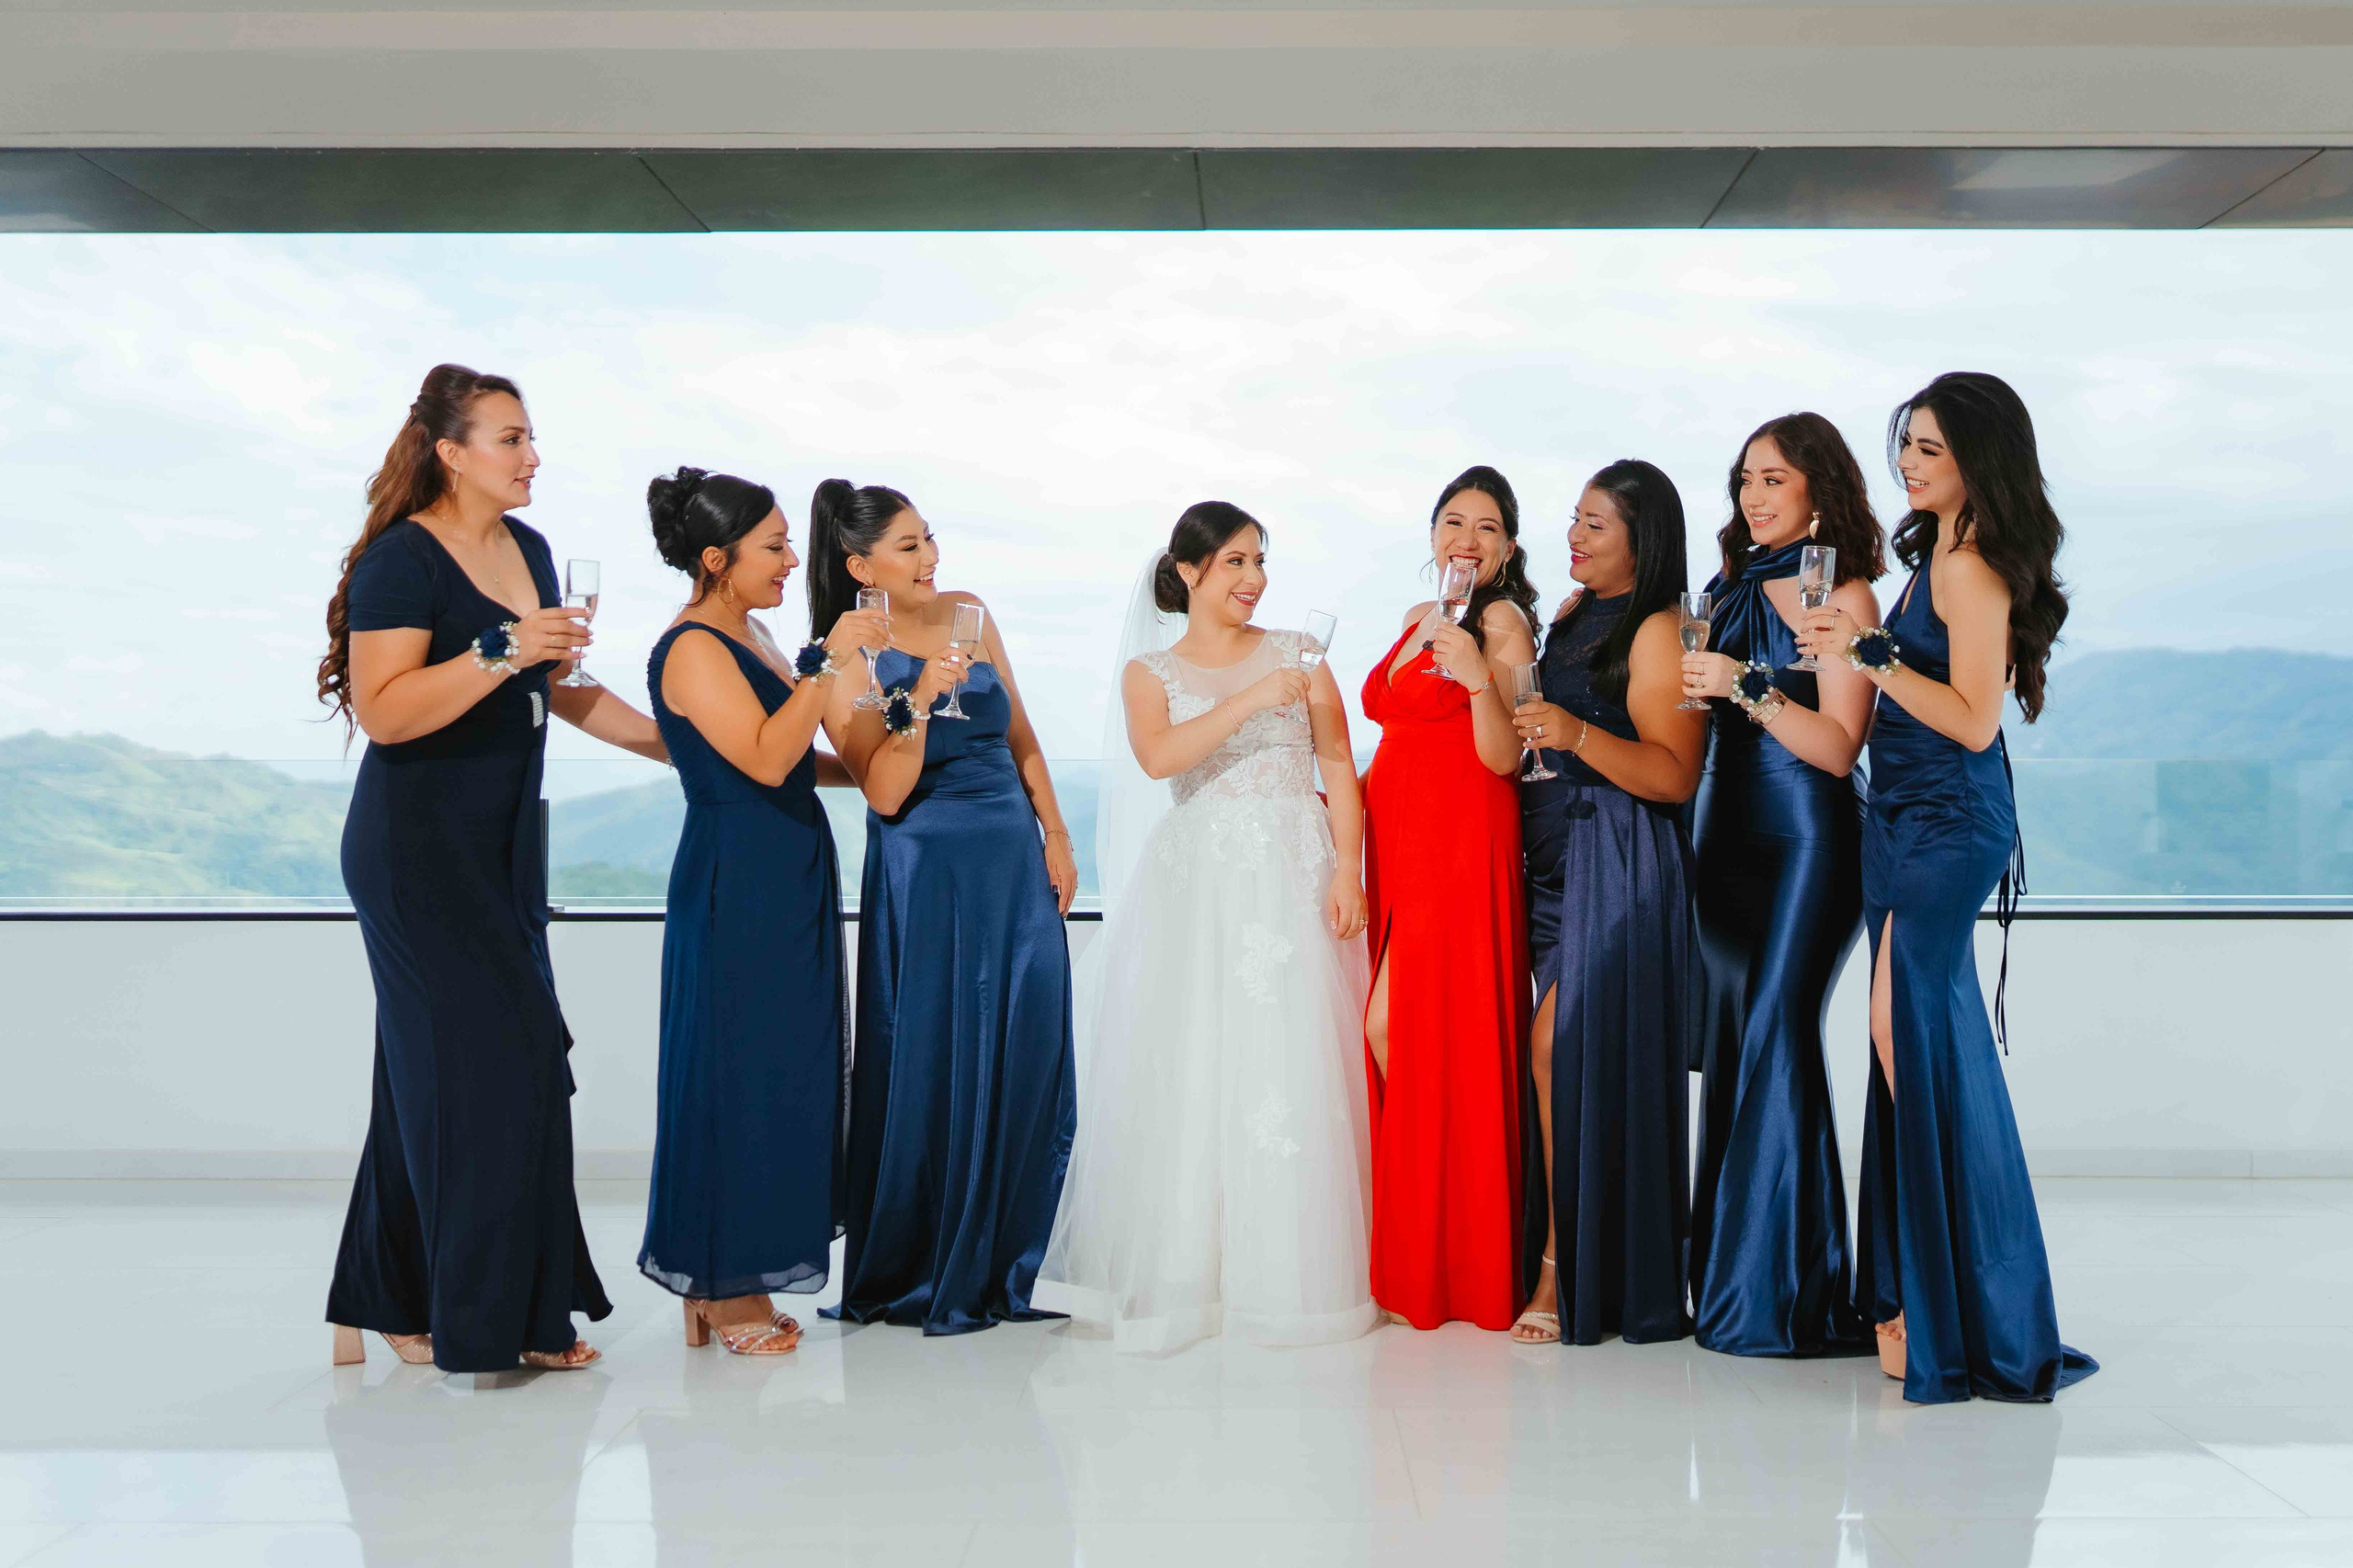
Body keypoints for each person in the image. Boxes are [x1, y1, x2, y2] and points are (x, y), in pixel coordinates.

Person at [321, 363, 664, 1374]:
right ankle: (500, 1320)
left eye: (530, 436)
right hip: (416, 853)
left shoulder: (531, 548)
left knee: (430, 1083)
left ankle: (384, 1297)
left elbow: (563, 686)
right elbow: (386, 711)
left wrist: (683, 747)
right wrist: (501, 649)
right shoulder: (401, 561)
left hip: (503, 847)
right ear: (451, 452)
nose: (532, 456)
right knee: (498, 1073)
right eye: (511, 438)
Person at [1799, 370, 2097, 1403]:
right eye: (1907, 445)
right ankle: (1922, 1299)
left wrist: (1865, 652)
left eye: (1929, 447)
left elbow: (1974, 720)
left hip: (1951, 822)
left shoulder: (1969, 569)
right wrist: (1853, 657)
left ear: (1979, 458)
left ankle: (1960, 1308)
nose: (1908, 463)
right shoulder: (1938, 555)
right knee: (1912, 1045)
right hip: (1897, 816)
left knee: (1906, 1034)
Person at [1035, 504, 1379, 1353]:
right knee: (1196, 1060)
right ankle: (1193, 1272)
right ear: (1188, 572)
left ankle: (1290, 1273)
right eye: (1234, 562)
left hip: (1293, 873)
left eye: (1260, 560)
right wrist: (1255, 697)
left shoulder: (1301, 650)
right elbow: (1160, 758)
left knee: (1291, 1056)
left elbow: (1338, 761)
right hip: (1201, 885)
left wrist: (1348, 867)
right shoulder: (1149, 672)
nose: (1254, 579)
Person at [813, 479, 1079, 1335]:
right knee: (933, 1054)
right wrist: (920, 697)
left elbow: (1020, 733)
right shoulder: (842, 655)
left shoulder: (970, 611)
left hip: (1011, 856)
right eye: (909, 546)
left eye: (929, 538)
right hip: (926, 869)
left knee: (1028, 1042)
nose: (930, 557)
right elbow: (884, 791)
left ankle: (1003, 1263)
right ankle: (922, 1268)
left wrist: (1056, 834)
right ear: (861, 567)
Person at [636, 467, 891, 1355]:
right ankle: (719, 1281)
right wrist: (830, 661)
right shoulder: (693, 648)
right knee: (733, 1073)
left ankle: (733, 1271)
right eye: (773, 547)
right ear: (716, 559)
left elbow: (790, 757)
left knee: (787, 1070)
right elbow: (761, 756)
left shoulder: (753, 634)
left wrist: (877, 766)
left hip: (788, 869)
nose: (789, 560)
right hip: (736, 878)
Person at [1677, 414, 1884, 1358]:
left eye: (1773, 478)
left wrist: (1743, 686)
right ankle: (1731, 1274)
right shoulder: (1726, 585)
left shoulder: (1842, 594)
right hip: (1719, 829)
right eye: (1745, 479)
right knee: (1733, 1036)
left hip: (1805, 835)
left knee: (1776, 1031)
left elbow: (1838, 749)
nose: (1753, 495)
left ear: (1817, 489)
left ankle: (1783, 1296)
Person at [1508, 460, 1705, 1346]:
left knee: (1557, 1049)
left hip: (1618, 855)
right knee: (1571, 1061)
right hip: (1552, 861)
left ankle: (1562, 1266)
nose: (1574, 536)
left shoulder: (1659, 629)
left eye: (1595, 525)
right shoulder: (1573, 615)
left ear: (1641, 540)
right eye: (1575, 520)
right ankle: (1593, 1259)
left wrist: (1576, 733)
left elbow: (1675, 775)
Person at [1358, 465, 1540, 1333]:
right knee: (1405, 1034)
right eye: (1454, 523)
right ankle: (1419, 1250)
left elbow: (1506, 756)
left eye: (1487, 528)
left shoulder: (1505, 625)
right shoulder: (1415, 617)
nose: (1467, 540)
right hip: (1398, 839)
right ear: (1433, 534)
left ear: (1508, 549)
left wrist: (1474, 675)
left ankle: (1456, 1257)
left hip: (1462, 839)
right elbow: (1395, 731)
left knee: (1402, 1029)